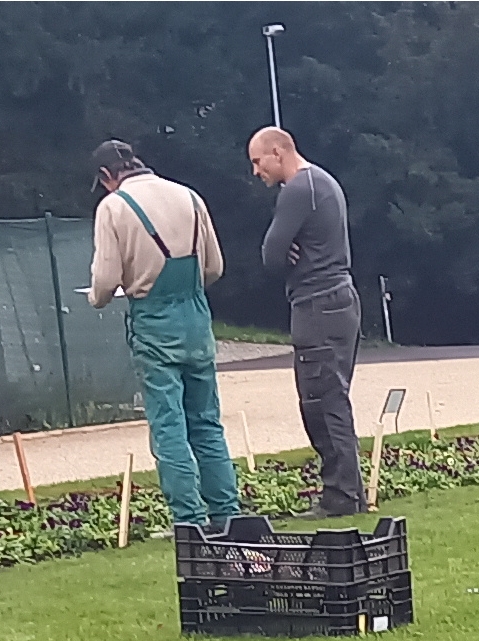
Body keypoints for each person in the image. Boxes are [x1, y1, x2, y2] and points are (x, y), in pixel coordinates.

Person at [87, 139, 239, 532]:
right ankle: (227, 513)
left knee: (169, 424)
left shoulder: (114, 207)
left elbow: (105, 282)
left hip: (154, 323)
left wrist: (97, 297)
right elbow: (214, 267)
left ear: (107, 176)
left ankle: (188, 519)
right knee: (206, 422)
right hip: (195, 317)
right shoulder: (189, 196)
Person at [247, 126, 362, 517]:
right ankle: (344, 492)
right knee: (329, 397)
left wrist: (285, 247)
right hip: (337, 301)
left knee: (322, 401)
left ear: (278, 152)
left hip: (318, 305)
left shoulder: (298, 189)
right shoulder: (323, 183)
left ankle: (342, 496)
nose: (256, 172)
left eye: (258, 162)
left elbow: (270, 255)